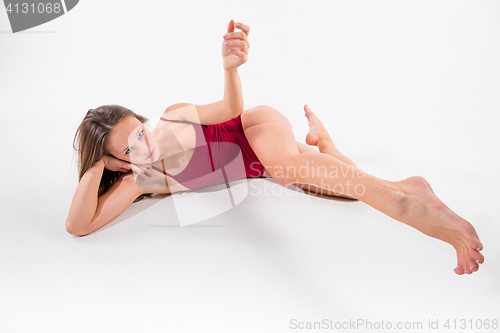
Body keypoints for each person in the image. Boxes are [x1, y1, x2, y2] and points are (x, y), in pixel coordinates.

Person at [66, 20, 484, 275]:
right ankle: (389, 176)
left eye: (139, 130)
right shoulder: (137, 182)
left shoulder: (174, 119)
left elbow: (231, 107)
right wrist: (94, 168)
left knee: (286, 169)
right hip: (262, 167)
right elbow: (78, 226)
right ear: (116, 165)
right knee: (342, 189)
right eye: (130, 149)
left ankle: (405, 204)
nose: (145, 143)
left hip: (257, 129)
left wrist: (229, 70)